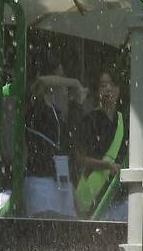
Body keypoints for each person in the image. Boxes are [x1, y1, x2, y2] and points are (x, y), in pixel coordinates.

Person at [23, 58, 87, 218]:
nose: (60, 84)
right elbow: (42, 82)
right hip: (39, 181)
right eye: (58, 78)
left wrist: (76, 100)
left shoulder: (56, 112)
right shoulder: (33, 102)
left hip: (59, 180)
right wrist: (74, 83)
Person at [75, 69, 127, 220]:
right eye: (104, 85)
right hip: (94, 194)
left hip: (118, 196)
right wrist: (107, 166)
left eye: (112, 84)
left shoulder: (124, 121)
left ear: (119, 89)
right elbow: (80, 158)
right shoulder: (90, 120)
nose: (108, 89)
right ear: (97, 90)